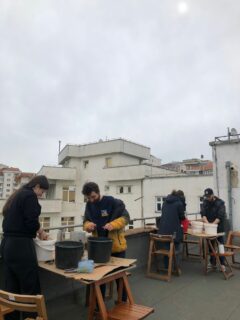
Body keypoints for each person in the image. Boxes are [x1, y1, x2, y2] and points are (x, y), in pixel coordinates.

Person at [0, 175, 49, 320]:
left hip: (7, 245)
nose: (42, 195)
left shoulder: (16, 195)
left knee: (12, 289)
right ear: (38, 186)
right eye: (43, 191)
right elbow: (31, 222)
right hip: (21, 246)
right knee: (30, 288)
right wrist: (40, 231)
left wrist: (38, 229)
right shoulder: (29, 196)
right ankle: (31, 318)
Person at [82, 182, 130, 301]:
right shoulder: (89, 205)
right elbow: (85, 222)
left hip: (117, 247)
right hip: (99, 248)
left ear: (98, 192)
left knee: (120, 278)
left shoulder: (112, 202)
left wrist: (113, 225)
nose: (91, 200)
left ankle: (122, 302)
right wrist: (88, 226)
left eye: (93, 197)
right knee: (100, 277)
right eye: (88, 198)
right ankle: (99, 305)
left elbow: (126, 218)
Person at [158, 190, 186, 268]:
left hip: (162, 232)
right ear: (181, 197)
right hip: (174, 232)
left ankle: (167, 266)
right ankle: (175, 267)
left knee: (167, 248)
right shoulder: (179, 203)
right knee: (176, 248)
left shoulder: (165, 202)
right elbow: (182, 217)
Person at [201, 188, 226, 270]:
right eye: (206, 196)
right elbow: (203, 214)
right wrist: (207, 224)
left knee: (220, 245)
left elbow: (220, 216)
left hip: (218, 227)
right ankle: (212, 263)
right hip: (209, 227)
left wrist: (212, 225)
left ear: (212, 195)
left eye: (209, 196)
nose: (207, 198)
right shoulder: (205, 202)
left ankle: (222, 264)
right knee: (210, 245)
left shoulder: (220, 203)